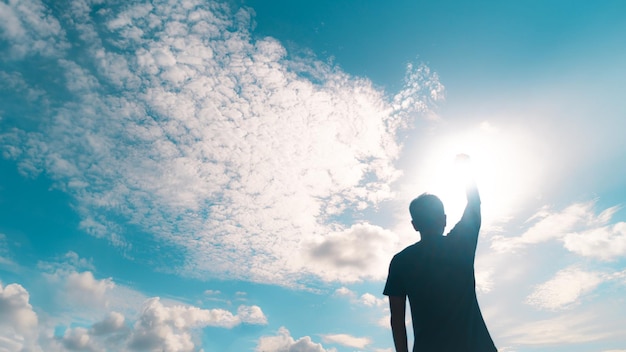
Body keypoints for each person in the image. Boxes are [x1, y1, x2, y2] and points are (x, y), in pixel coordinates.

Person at [383, 155, 497, 352]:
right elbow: (474, 203)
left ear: (414, 225)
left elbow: (397, 320)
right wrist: (464, 170)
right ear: (444, 219)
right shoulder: (461, 244)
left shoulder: (401, 261)